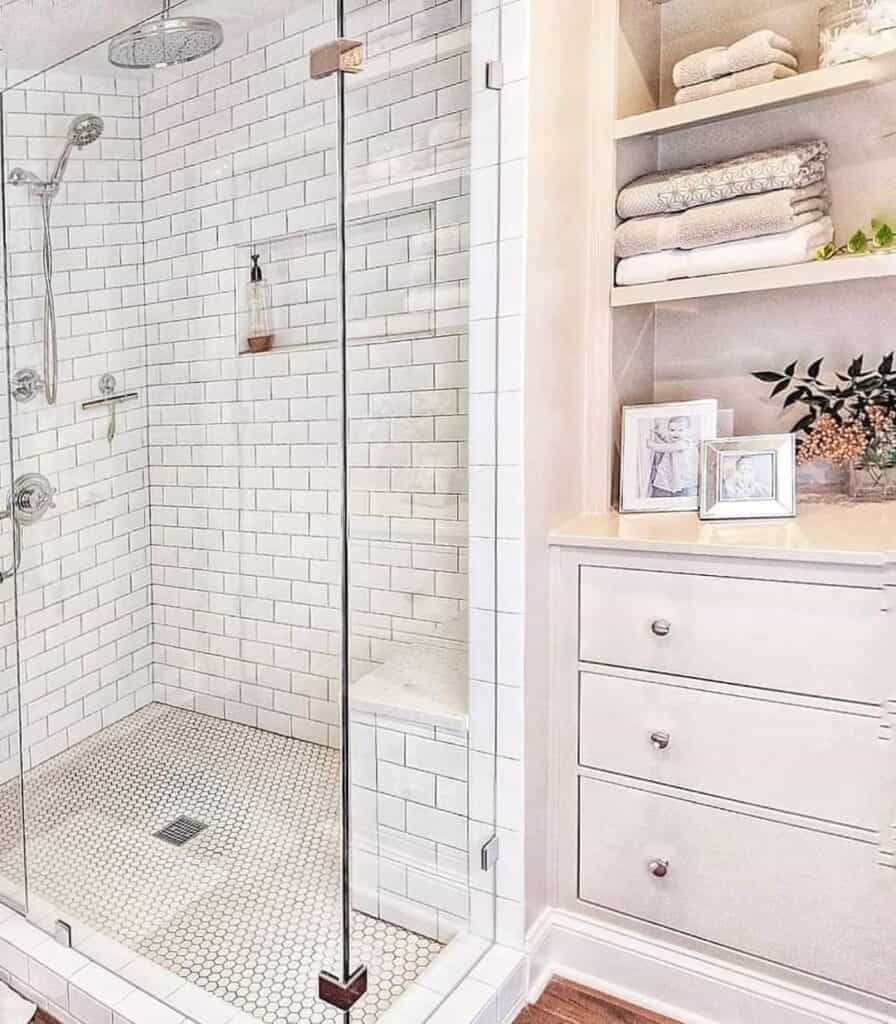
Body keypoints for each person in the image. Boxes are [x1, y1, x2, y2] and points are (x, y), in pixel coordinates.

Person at [646, 416, 699, 498]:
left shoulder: (685, 443)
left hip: (681, 475)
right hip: (672, 472)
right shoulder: (675, 441)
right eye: (672, 430)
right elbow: (666, 440)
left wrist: (652, 445)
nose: (676, 433)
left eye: (680, 430)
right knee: (665, 484)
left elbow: (668, 447)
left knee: (678, 489)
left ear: (688, 432)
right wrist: (658, 433)